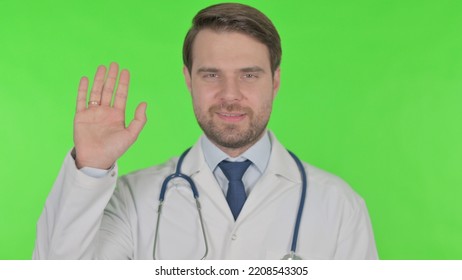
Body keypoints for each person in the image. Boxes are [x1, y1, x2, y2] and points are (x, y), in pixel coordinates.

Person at [33, 3, 378, 260]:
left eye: (249, 74)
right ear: (188, 80)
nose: (230, 94)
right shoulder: (133, 201)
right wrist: (91, 168)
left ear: (275, 81)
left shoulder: (339, 207)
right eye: (212, 74)